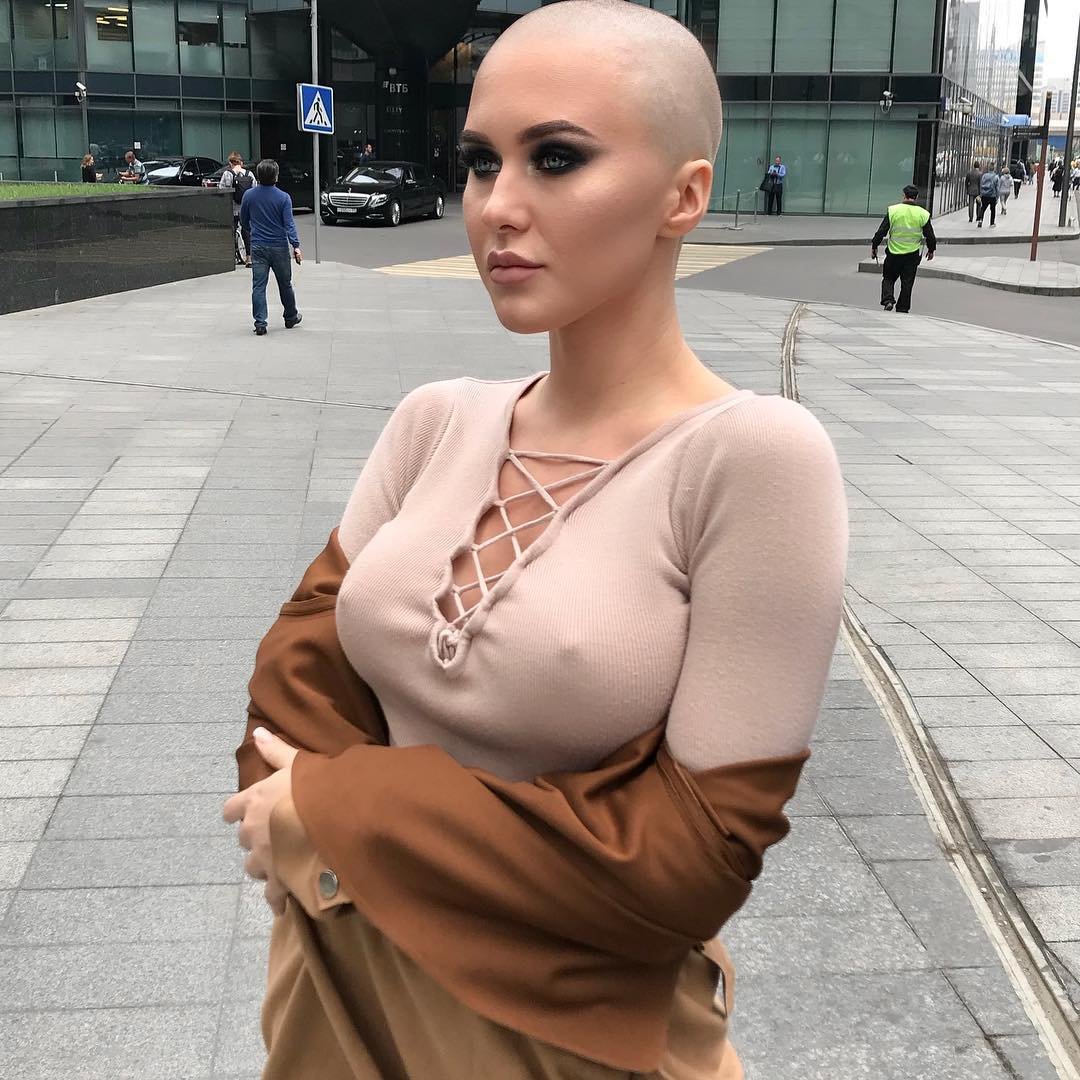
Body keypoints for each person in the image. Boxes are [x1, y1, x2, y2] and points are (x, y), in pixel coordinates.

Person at [224, 2, 848, 1078]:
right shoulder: (435, 420)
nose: (496, 207)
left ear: (684, 195)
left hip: (566, 1042)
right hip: (333, 997)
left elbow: (690, 856)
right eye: (480, 162)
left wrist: (336, 816)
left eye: (556, 158)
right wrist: (347, 826)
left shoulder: (752, 459)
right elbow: (292, 685)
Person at [238, 159, 302, 336]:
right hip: (279, 246)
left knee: (258, 286)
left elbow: (244, 220)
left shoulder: (249, 195)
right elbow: (289, 225)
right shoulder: (284, 197)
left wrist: (253, 230)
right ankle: (290, 316)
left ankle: (260, 323)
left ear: (258, 176)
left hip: (258, 246)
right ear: (276, 176)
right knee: (285, 284)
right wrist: (296, 246)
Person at [871, 183, 937, 314]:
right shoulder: (923, 214)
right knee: (907, 283)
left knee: (888, 278)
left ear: (904, 196)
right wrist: (931, 249)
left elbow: (881, 231)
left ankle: (888, 300)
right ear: (916, 197)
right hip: (912, 255)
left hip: (893, 253)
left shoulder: (893, 210)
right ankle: (902, 308)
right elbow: (930, 235)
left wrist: (874, 246)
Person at [218, 151, 255, 267]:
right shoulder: (249, 174)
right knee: (247, 231)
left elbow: (222, 191)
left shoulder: (227, 174)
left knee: (231, 231)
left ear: (230, 163)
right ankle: (249, 258)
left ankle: (232, 257)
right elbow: (254, 190)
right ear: (241, 162)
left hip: (232, 208)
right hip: (246, 209)